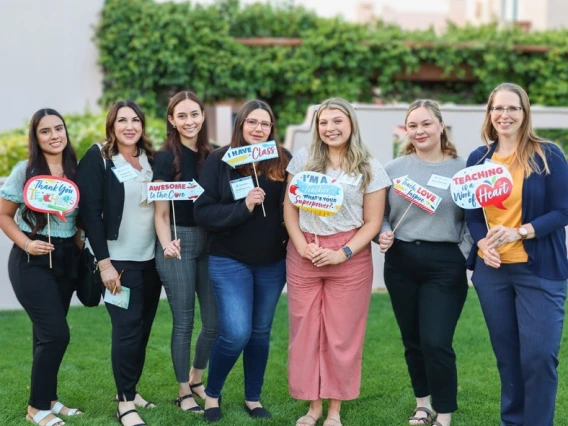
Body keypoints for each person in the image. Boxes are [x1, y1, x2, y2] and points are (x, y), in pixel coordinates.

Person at [465, 83, 568, 426]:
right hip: (493, 273)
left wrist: (521, 231)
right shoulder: (478, 159)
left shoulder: (547, 154)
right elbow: (471, 213)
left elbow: (563, 210)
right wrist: (481, 243)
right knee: (508, 358)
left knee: (539, 357)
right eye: (498, 108)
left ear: (524, 113)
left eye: (512, 108)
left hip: (539, 270)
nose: (504, 115)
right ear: (489, 114)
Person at [284, 97, 390, 426]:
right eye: (323, 122)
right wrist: (302, 246)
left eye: (337, 121)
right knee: (306, 332)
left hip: (349, 258)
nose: (330, 128)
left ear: (351, 123)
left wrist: (341, 252)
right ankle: (312, 406)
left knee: (341, 336)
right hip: (305, 253)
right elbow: (289, 208)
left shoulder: (370, 167)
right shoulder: (303, 159)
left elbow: (372, 222)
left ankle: (334, 410)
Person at [194, 99, 291, 423]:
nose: (258, 128)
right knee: (236, 332)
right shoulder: (220, 159)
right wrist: (243, 207)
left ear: (271, 129)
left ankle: (253, 397)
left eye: (265, 124)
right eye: (252, 122)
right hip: (229, 259)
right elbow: (203, 212)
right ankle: (212, 394)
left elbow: (296, 206)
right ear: (241, 124)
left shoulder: (283, 159)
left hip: (271, 262)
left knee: (260, 332)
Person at [378, 100, 471, 426]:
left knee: (436, 341)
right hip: (401, 261)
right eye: (413, 125)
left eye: (426, 124)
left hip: (445, 264)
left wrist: (462, 254)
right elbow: (380, 217)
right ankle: (423, 405)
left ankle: (443, 414)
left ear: (440, 126)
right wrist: (384, 233)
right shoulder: (393, 169)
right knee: (413, 340)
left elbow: (474, 220)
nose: (419, 131)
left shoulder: (463, 169)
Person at [77, 100, 162, 426]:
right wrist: (104, 263)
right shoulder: (98, 157)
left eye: (135, 120)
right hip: (117, 262)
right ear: (111, 125)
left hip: (150, 260)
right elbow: (91, 215)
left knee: (141, 330)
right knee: (126, 331)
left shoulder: (150, 160)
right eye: (122, 120)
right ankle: (125, 404)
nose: (130, 126)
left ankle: (129, 389)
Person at [0, 108, 83, 426]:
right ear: (36, 137)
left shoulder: (76, 170)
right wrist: (26, 243)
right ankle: (36, 408)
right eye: (45, 131)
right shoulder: (25, 170)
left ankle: (49, 399)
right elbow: (4, 214)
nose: (54, 135)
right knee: (56, 334)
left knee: (44, 335)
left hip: (64, 259)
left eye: (59, 128)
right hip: (31, 258)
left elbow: (80, 220)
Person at [153, 91, 217, 413]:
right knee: (184, 323)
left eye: (194, 114)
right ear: (171, 120)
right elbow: (161, 214)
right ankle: (183, 391)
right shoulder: (165, 157)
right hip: (177, 243)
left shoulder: (215, 154)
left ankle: (195, 376)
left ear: (203, 116)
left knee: (214, 323)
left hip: (211, 244)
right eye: (182, 116)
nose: (189, 121)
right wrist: (167, 243)